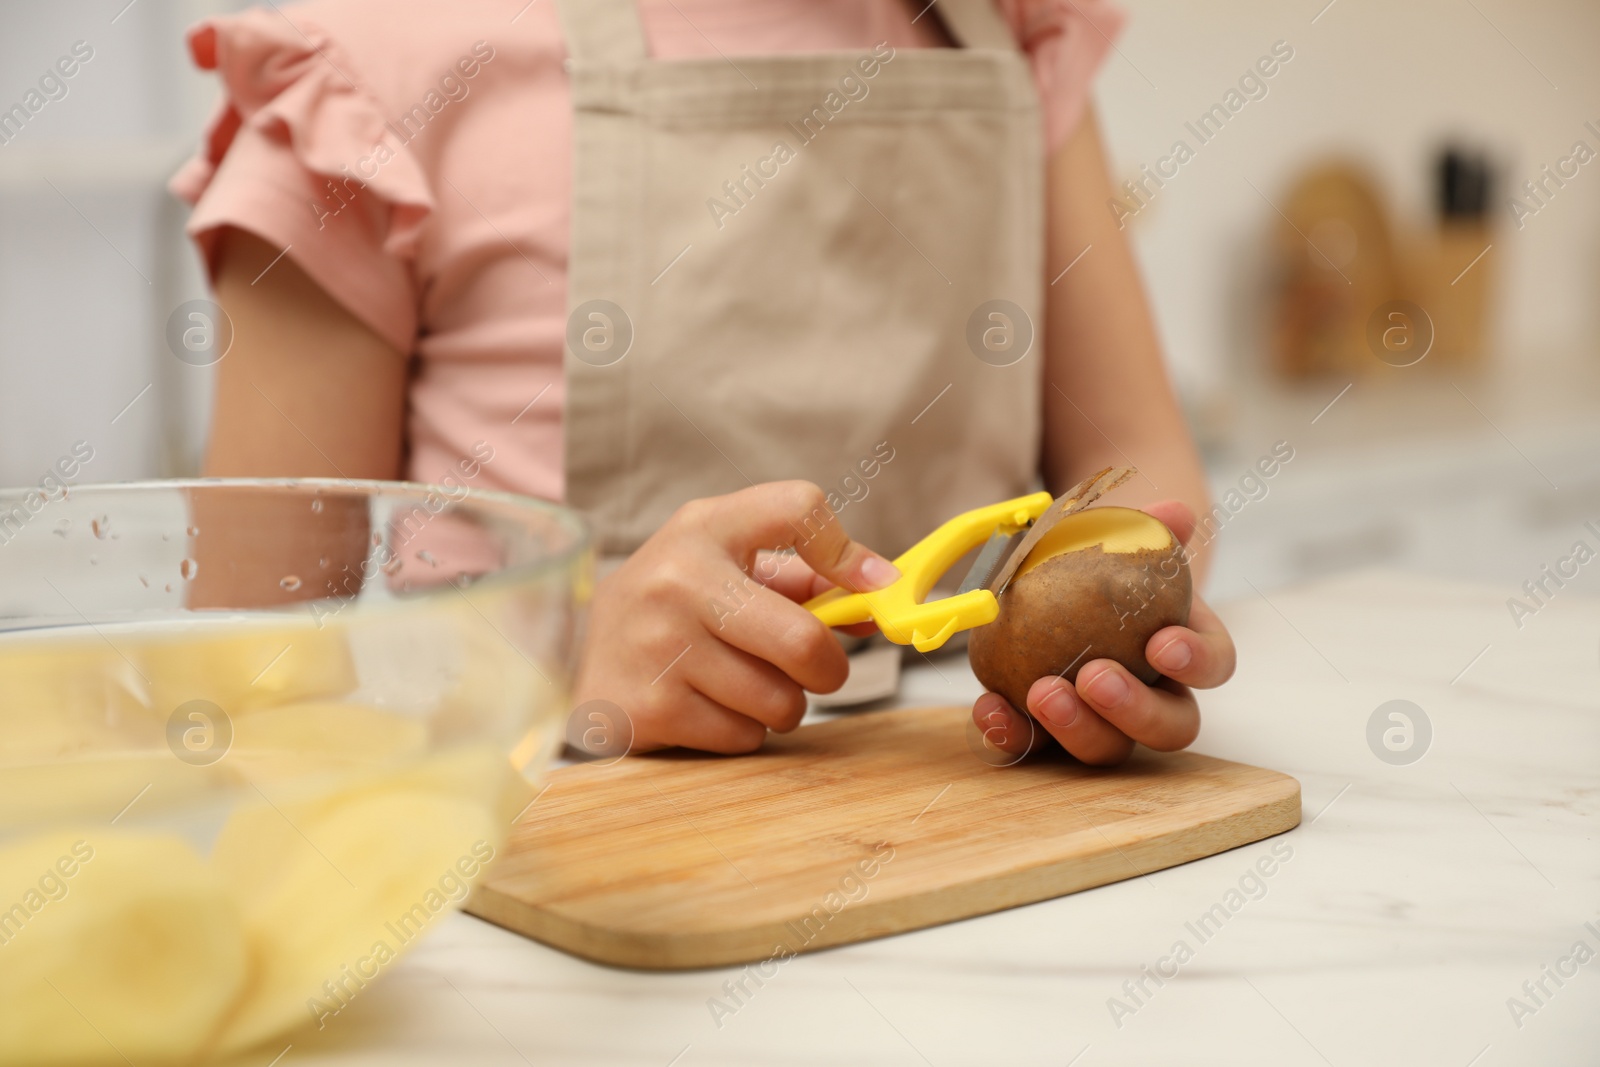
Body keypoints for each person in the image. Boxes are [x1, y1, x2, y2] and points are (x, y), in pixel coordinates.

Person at [172, 0, 1235, 765]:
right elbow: (251, 683)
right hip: (550, 876)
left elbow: (1132, 465)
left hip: (960, 824)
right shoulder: (369, 65)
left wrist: (1113, 635)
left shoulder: (1005, 29)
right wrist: (567, 673)